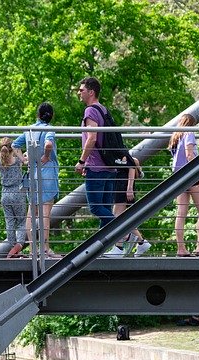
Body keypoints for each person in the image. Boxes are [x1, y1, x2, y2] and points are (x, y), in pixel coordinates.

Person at [75, 77, 131, 257]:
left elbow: (91, 138)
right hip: (110, 167)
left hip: (96, 167)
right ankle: (103, 249)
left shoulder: (90, 111)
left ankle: (126, 233)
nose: (79, 92)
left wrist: (82, 161)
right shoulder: (104, 110)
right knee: (105, 209)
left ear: (91, 92)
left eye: (81, 90)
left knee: (96, 208)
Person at [12, 102, 60, 258]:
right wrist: (46, 157)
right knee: (45, 213)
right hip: (47, 173)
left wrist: (24, 160)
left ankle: (33, 249)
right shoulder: (48, 129)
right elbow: (48, 144)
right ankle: (45, 249)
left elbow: (14, 145)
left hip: (32, 173)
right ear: (51, 116)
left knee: (31, 212)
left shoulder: (29, 130)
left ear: (38, 115)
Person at [168, 113, 199, 257]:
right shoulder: (189, 133)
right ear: (191, 124)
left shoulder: (175, 137)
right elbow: (189, 155)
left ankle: (181, 249)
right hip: (190, 175)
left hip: (178, 176)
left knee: (181, 214)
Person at [0, 137, 28, 258]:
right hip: (17, 194)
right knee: (21, 221)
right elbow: (26, 160)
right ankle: (18, 245)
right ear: (11, 148)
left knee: (9, 222)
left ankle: (12, 245)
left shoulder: (0, 162)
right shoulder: (17, 161)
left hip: (5, 194)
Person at [110, 154, 151, 257]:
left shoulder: (120, 152)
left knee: (117, 218)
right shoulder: (120, 154)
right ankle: (140, 241)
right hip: (119, 187)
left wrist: (129, 189)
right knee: (121, 218)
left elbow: (132, 168)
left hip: (122, 188)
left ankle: (119, 248)